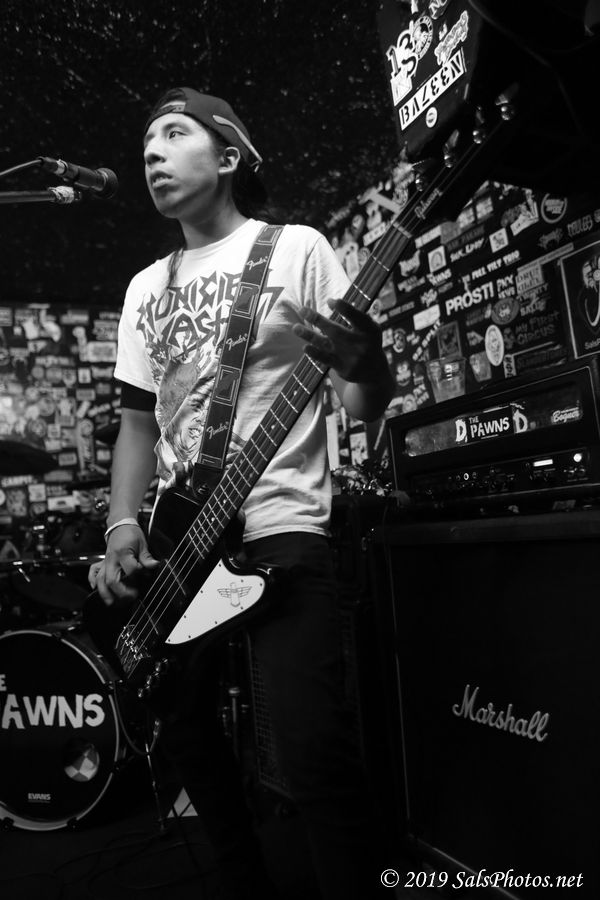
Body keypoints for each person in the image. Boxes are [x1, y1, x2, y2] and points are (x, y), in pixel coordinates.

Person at [89, 86, 395, 900]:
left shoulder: (295, 250)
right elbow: (137, 424)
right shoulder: (144, 289)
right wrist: (122, 526)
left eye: (173, 133)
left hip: (281, 524)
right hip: (178, 539)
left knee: (311, 752)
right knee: (188, 737)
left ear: (228, 156)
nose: (152, 152)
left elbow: (362, 401)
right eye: (147, 142)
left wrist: (367, 362)